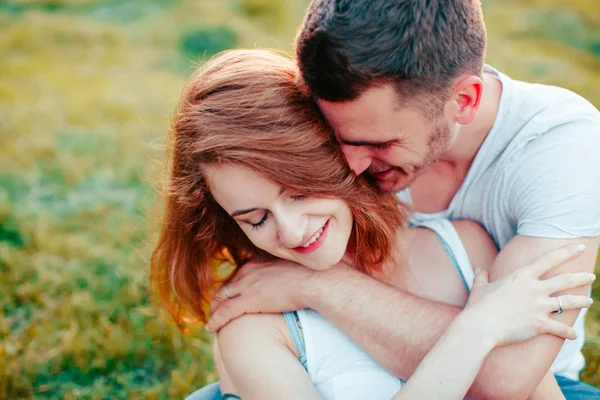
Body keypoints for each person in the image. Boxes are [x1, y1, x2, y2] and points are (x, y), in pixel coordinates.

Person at [206, 1, 600, 399]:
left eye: (378, 144)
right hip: (343, 353)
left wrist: (315, 284)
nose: (352, 164)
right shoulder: (350, 104)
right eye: (336, 136)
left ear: (463, 101)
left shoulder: (561, 148)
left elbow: (503, 376)